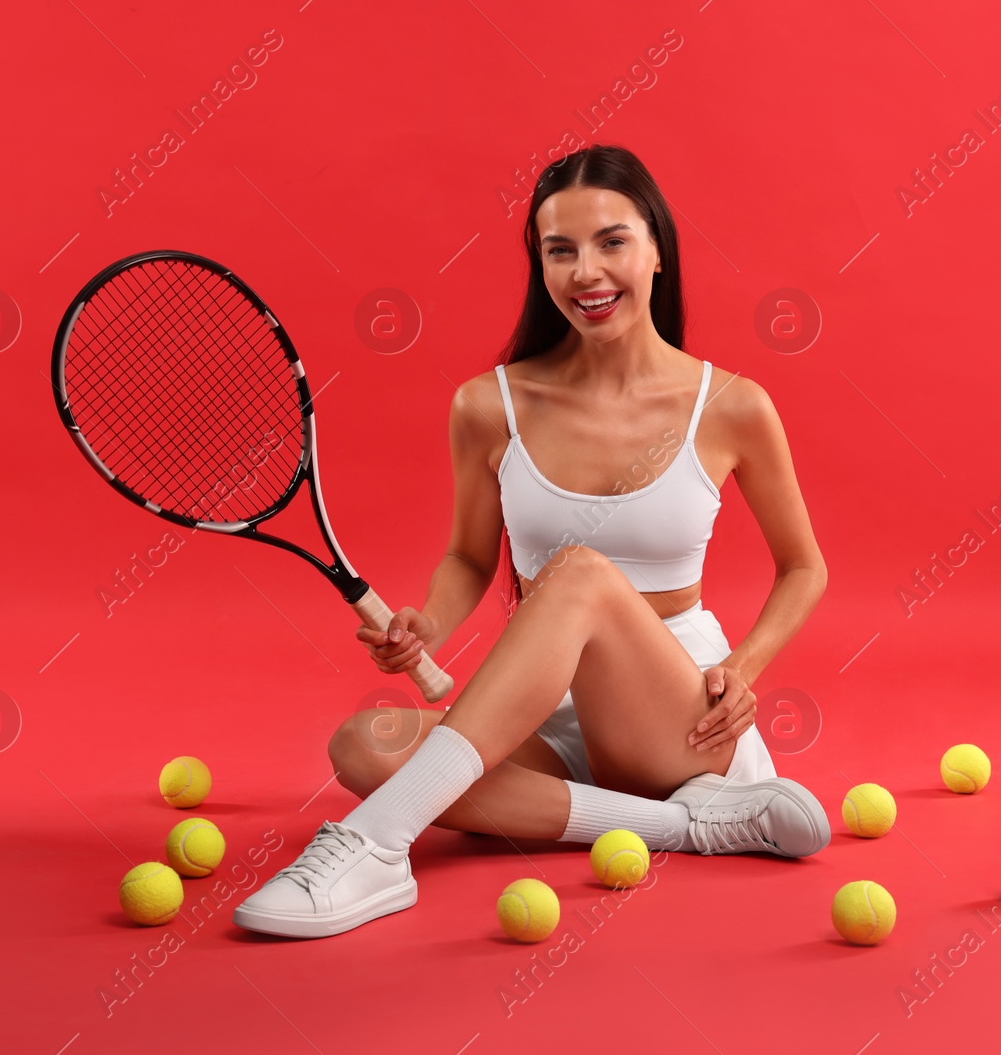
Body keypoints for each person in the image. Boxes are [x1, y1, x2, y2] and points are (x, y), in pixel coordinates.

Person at [233, 145, 830, 940]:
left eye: (612, 241)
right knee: (364, 744)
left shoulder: (731, 405)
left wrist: (742, 670)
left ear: (657, 249)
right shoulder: (490, 404)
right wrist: (430, 624)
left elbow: (804, 567)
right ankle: (685, 827)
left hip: (678, 712)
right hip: (545, 708)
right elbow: (471, 558)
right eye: (560, 250)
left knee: (577, 572)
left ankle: (375, 845)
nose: (587, 271)